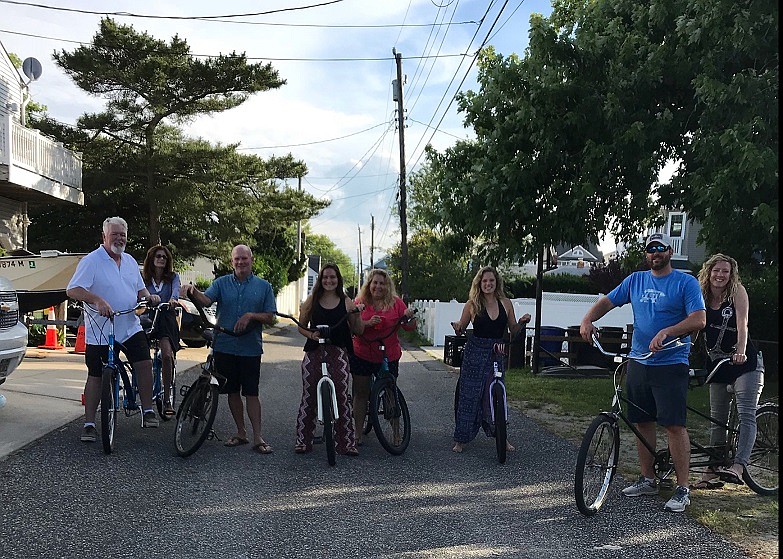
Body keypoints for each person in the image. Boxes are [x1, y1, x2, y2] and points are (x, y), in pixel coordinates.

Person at [580, 232, 706, 513]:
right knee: (642, 421)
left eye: (660, 249)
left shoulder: (685, 282)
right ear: (646, 254)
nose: (655, 254)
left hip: (671, 362)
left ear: (669, 252)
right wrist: (588, 319)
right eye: (651, 249)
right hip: (639, 360)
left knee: (674, 425)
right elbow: (608, 301)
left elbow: (699, 319)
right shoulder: (635, 280)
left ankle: (683, 488)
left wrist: (668, 332)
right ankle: (648, 479)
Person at [67, 216, 162, 443]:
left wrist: (150, 298)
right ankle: (90, 423)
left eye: (122, 235)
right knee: (96, 374)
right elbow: (73, 290)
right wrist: (97, 300)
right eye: (114, 234)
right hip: (101, 329)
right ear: (104, 237)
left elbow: (140, 291)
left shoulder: (129, 261)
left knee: (144, 362)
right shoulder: (92, 261)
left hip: (129, 325)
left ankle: (147, 409)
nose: (119, 239)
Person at [182, 245, 277, 454]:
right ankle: (241, 432)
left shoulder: (264, 287)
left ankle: (258, 437)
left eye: (244, 258)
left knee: (251, 393)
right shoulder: (222, 283)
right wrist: (192, 291)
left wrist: (251, 315)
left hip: (250, 349)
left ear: (251, 260)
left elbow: (271, 316)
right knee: (232, 391)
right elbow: (206, 300)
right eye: (237, 259)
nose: (240, 262)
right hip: (224, 346)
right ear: (232, 261)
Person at [693, 254, 764, 490]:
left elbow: (742, 323)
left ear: (731, 274)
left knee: (746, 414)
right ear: (709, 272)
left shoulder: (737, 292)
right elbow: (694, 325)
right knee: (717, 419)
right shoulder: (701, 294)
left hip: (744, 363)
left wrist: (741, 351)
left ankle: (738, 466)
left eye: (725, 271)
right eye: (716, 270)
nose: (720, 275)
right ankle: (712, 469)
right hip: (718, 363)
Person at [450, 266, 531, 454]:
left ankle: (502, 437)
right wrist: (457, 326)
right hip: (475, 353)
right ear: (479, 283)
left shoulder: (505, 303)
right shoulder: (472, 304)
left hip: (496, 351)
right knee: (469, 395)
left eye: (491, 281)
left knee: (497, 395)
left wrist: (522, 322)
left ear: (497, 283)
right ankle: (460, 439)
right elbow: (462, 326)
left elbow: (513, 329)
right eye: (484, 281)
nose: (488, 284)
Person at [294, 264, 364, 455]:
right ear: (320, 279)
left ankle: (346, 442)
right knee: (309, 396)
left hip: (338, 351)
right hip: (315, 351)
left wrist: (356, 314)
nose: (329, 281)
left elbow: (358, 330)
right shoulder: (312, 300)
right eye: (325, 277)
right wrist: (311, 335)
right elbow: (301, 326)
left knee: (341, 396)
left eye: (332, 277)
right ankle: (303, 440)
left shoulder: (346, 301)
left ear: (338, 280)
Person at [351, 269, 416, 445]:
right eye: (375, 283)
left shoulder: (396, 303)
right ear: (369, 285)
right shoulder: (360, 302)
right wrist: (366, 323)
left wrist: (408, 317)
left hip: (388, 353)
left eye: (382, 283)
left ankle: (396, 434)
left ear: (387, 286)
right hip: (363, 352)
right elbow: (353, 326)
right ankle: (357, 434)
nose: (378, 286)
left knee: (390, 392)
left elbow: (410, 326)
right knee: (361, 392)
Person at [141, 244, 181, 417]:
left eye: (164, 257)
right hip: (147, 317)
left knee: (166, 355)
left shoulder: (173, 277)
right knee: (140, 356)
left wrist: (172, 300)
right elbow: (137, 294)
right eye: (158, 256)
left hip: (165, 317)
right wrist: (146, 299)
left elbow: (176, 292)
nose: (161, 259)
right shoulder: (144, 279)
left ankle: (166, 398)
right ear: (152, 258)